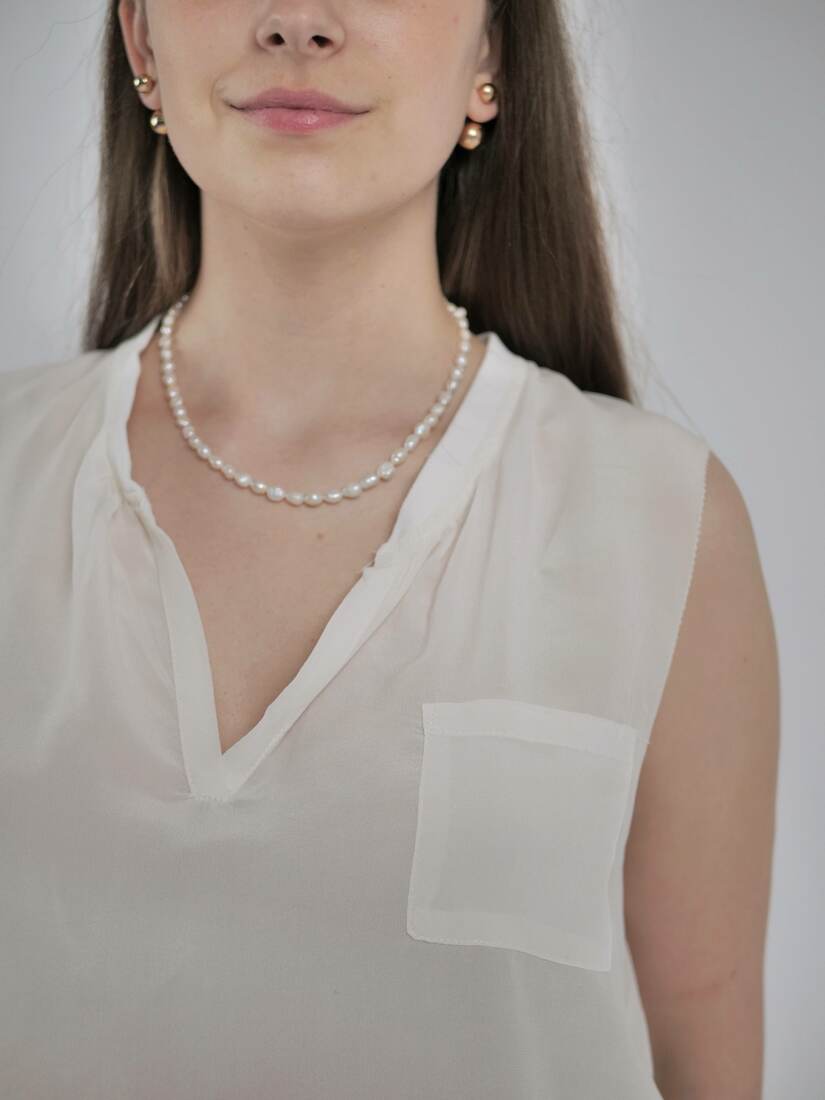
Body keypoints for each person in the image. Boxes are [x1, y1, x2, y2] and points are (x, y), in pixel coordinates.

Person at [0, 1, 779, 1097]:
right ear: (141, 39)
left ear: (492, 47)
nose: (298, 20)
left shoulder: (660, 519)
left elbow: (703, 1051)